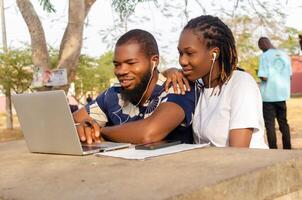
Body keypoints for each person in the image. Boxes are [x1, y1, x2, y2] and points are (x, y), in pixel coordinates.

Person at [73, 29, 195, 144]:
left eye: (131, 63)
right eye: (117, 65)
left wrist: (100, 131)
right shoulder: (114, 94)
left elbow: (148, 133)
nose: (121, 71)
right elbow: (72, 122)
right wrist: (83, 128)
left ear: (154, 61)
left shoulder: (177, 87)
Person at [163, 15, 268, 148]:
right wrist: (170, 71)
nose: (182, 61)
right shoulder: (198, 86)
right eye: (180, 53)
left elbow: (238, 152)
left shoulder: (241, 84)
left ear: (214, 53)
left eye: (189, 53)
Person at [257, 37, 292, 149]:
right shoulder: (284, 55)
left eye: (260, 46)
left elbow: (264, 77)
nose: (260, 49)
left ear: (262, 45)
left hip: (268, 97)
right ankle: (287, 148)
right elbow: (289, 76)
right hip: (282, 96)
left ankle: (273, 149)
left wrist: (259, 75)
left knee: (270, 125)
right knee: (283, 123)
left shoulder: (264, 56)